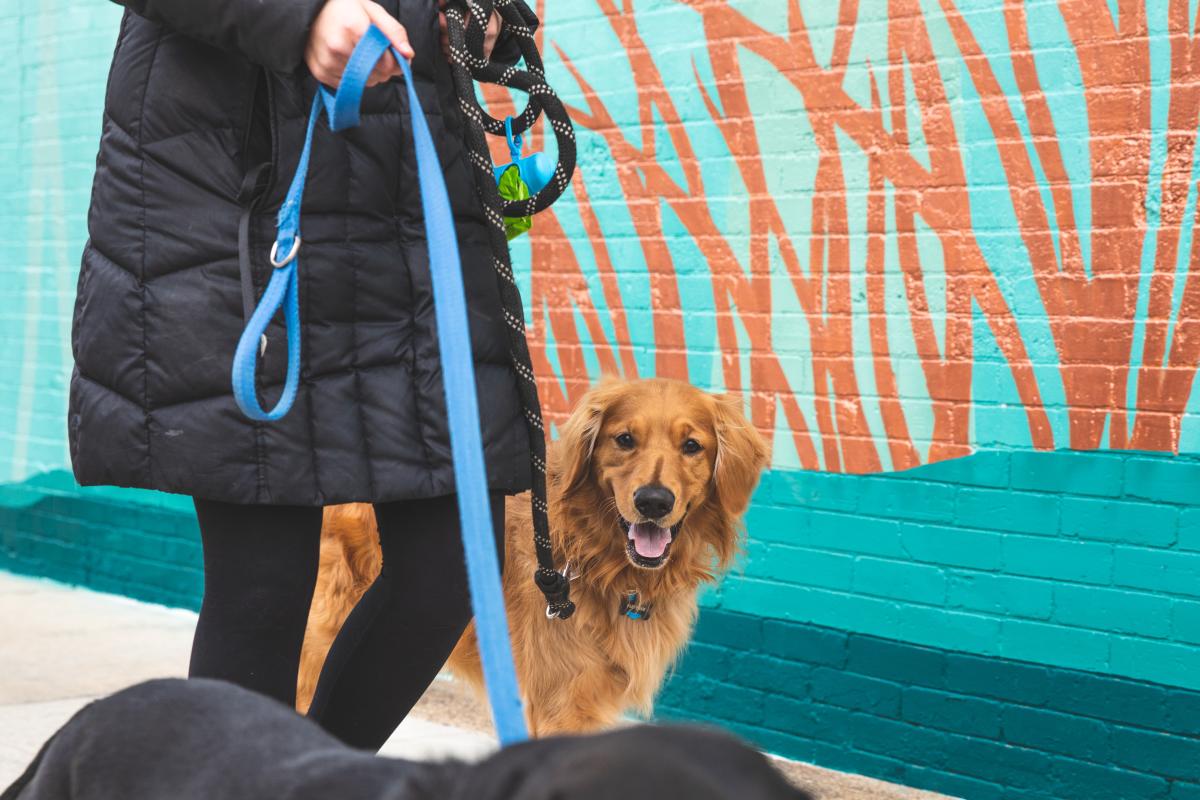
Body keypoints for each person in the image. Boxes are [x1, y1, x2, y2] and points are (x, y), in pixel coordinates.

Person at [68, 0, 533, 750]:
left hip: (406, 207)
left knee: (448, 570)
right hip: (235, 201)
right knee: (264, 586)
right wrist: (300, 16)